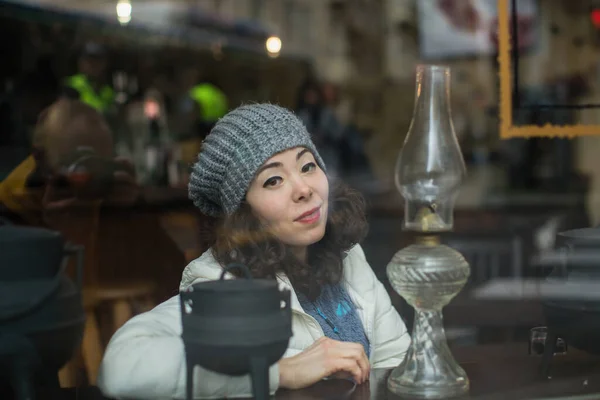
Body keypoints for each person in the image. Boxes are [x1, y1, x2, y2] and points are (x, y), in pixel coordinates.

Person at [97, 104, 410, 399]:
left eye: (308, 165)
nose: (303, 189)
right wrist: (278, 371)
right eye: (273, 180)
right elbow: (121, 368)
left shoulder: (346, 254)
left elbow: (396, 361)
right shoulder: (224, 284)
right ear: (244, 212)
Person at [0, 98, 138, 226]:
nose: (86, 176)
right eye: (75, 163)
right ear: (40, 159)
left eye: (98, 163)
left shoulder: (109, 193)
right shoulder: (11, 204)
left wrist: (129, 213)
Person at [63, 42, 115, 114]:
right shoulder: (71, 85)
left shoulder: (109, 92)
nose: (92, 65)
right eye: (89, 61)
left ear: (105, 64)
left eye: (97, 61)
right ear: (80, 63)